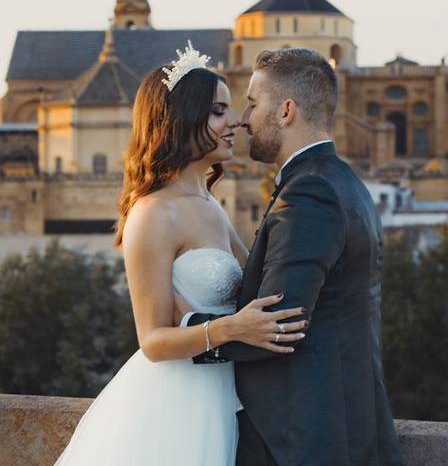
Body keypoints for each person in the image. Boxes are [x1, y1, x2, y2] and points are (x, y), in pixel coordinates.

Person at [55, 43, 307, 466]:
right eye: (218, 111)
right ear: (180, 119)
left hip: (223, 394)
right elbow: (152, 340)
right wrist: (232, 328)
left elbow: (254, 283)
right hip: (176, 402)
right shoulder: (154, 213)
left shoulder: (209, 202)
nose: (236, 122)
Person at [183, 48, 403, 466]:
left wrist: (183, 335)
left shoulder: (310, 193)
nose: (243, 119)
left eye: (252, 103)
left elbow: (278, 324)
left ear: (286, 111)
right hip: (341, 428)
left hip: (305, 441)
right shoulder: (342, 181)